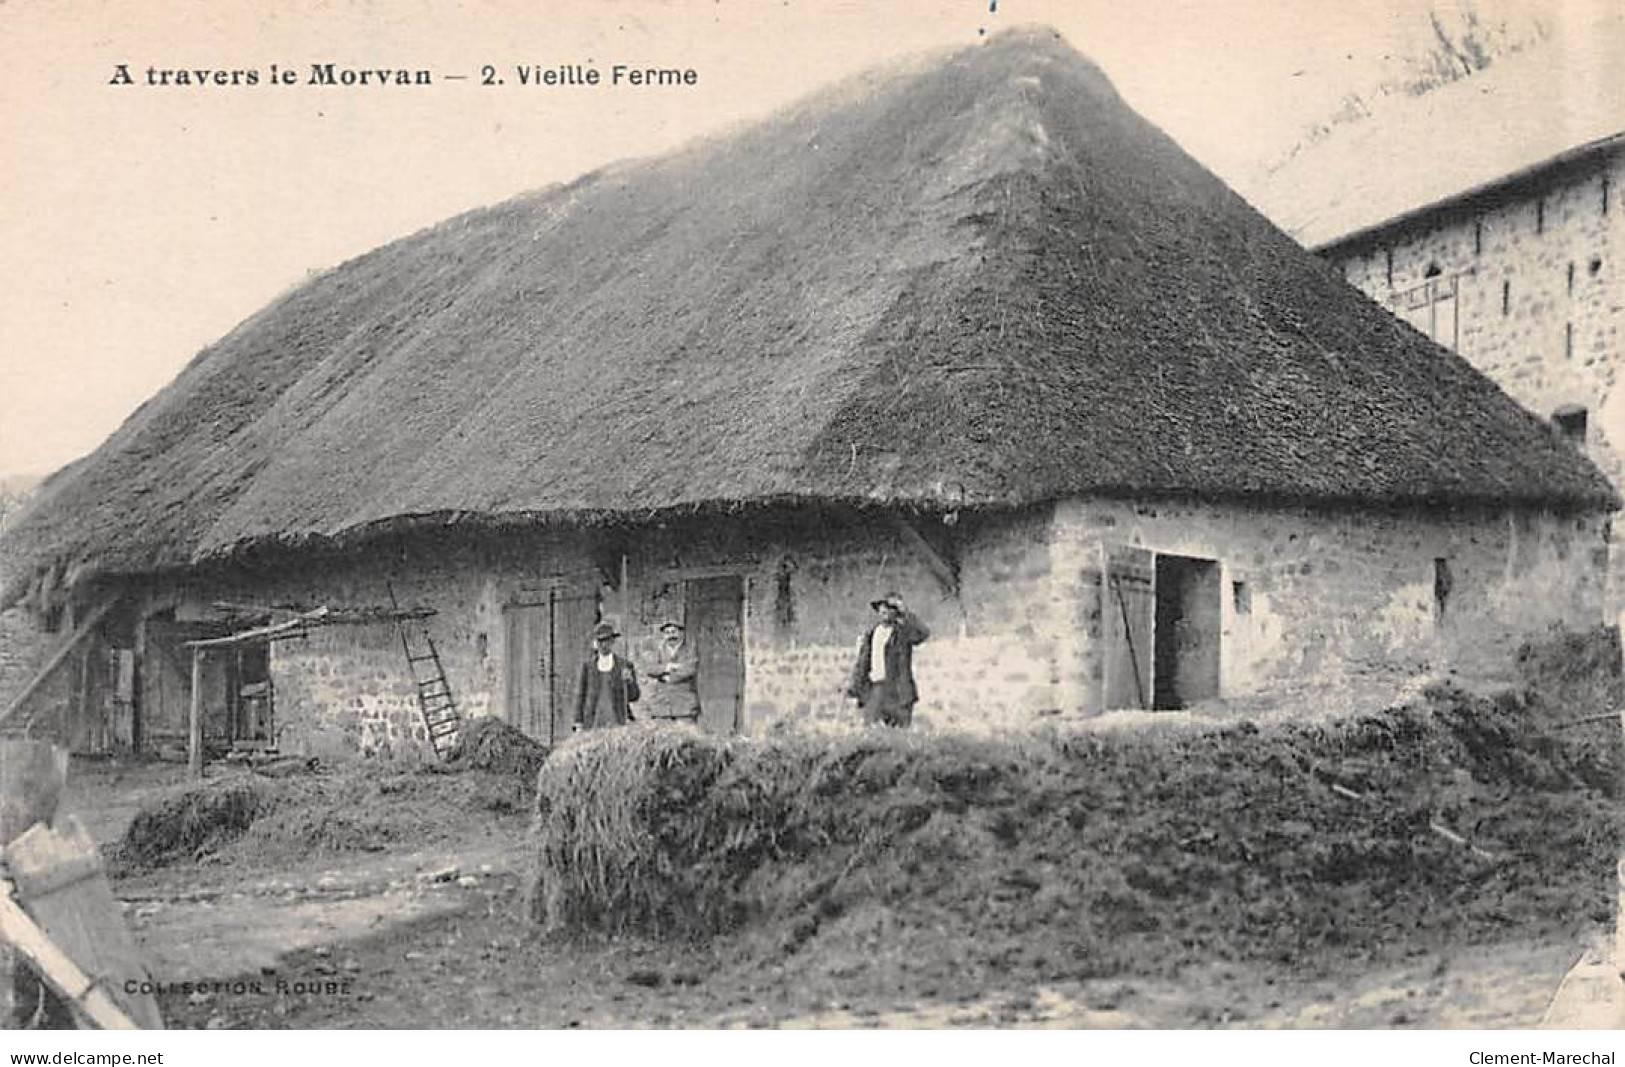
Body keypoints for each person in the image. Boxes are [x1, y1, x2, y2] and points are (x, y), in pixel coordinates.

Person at [845, 591, 930, 728]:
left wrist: (906, 613)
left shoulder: (903, 633)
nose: (884, 610)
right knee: (872, 728)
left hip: (898, 691)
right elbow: (863, 663)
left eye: (889, 607)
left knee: (899, 733)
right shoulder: (872, 634)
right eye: (881, 607)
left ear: (896, 612)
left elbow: (923, 633)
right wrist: (855, 686)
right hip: (875, 689)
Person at [573, 621, 640, 732]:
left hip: (617, 722)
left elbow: (634, 696)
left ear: (613, 641)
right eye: (600, 641)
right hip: (593, 722)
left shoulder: (624, 665)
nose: (604, 645)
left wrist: (630, 681)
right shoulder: (588, 667)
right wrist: (578, 722)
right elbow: (581, 695)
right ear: (595, 643)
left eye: (607, 640)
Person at [644, 620, 701, 724]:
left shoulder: (690, 650)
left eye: (673, 632)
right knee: (664, 736)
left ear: (680, 633)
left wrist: (668, 678)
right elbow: (650, 668)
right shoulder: (658, 650)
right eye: (667, 633)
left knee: (686, 736)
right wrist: (667, 667)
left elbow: (690, 669)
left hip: (684, 704)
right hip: (662, 705)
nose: (671, 636)